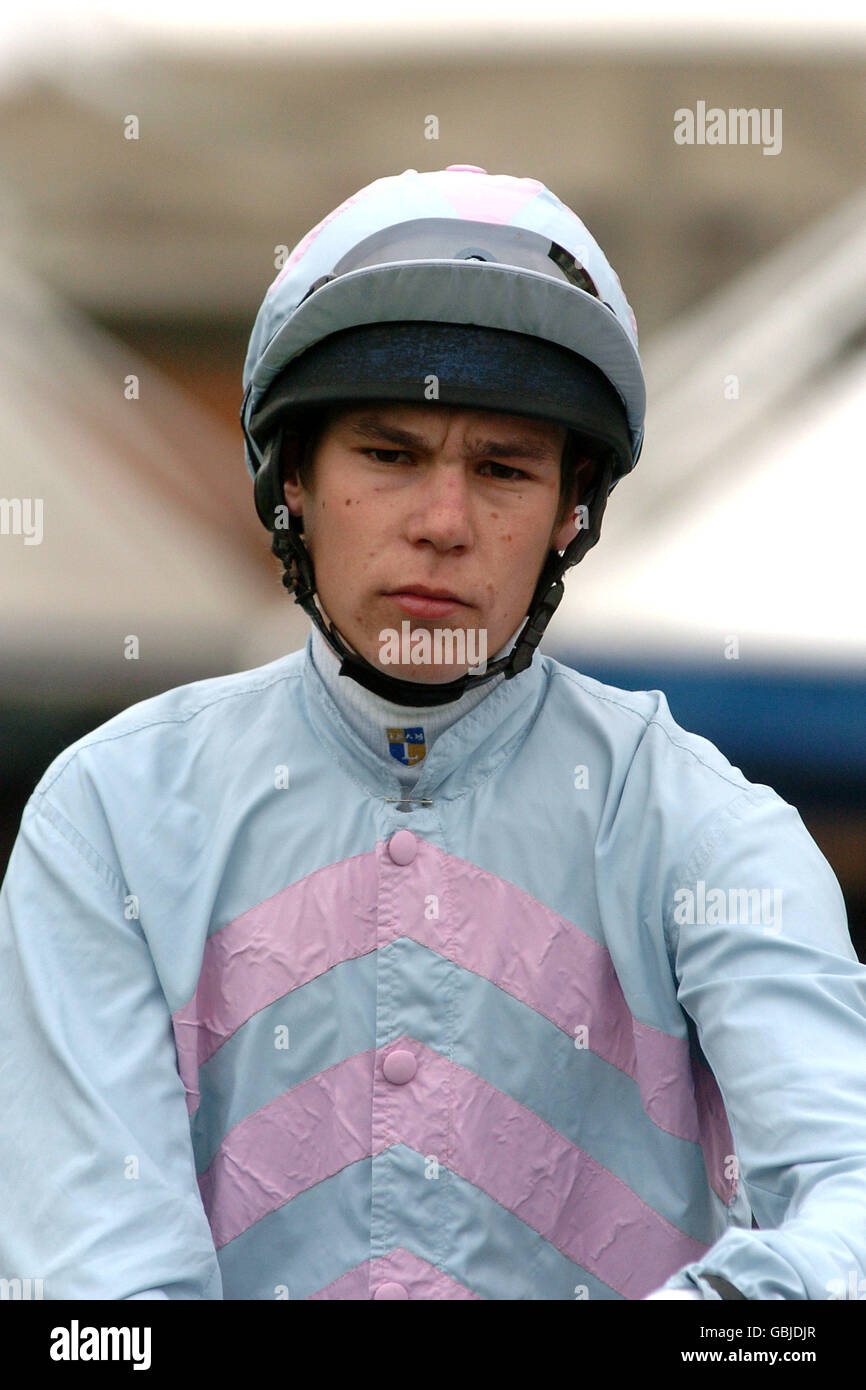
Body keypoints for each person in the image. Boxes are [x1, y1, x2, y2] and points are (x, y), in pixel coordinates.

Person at [1, 165, 865, 1302]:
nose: (443, 523)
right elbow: (98, 1298)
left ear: (570, 512)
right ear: (291, 482)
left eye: (501, 469)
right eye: (389, 454)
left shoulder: (706, 829)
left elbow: (847, 1194)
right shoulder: (106, 815)